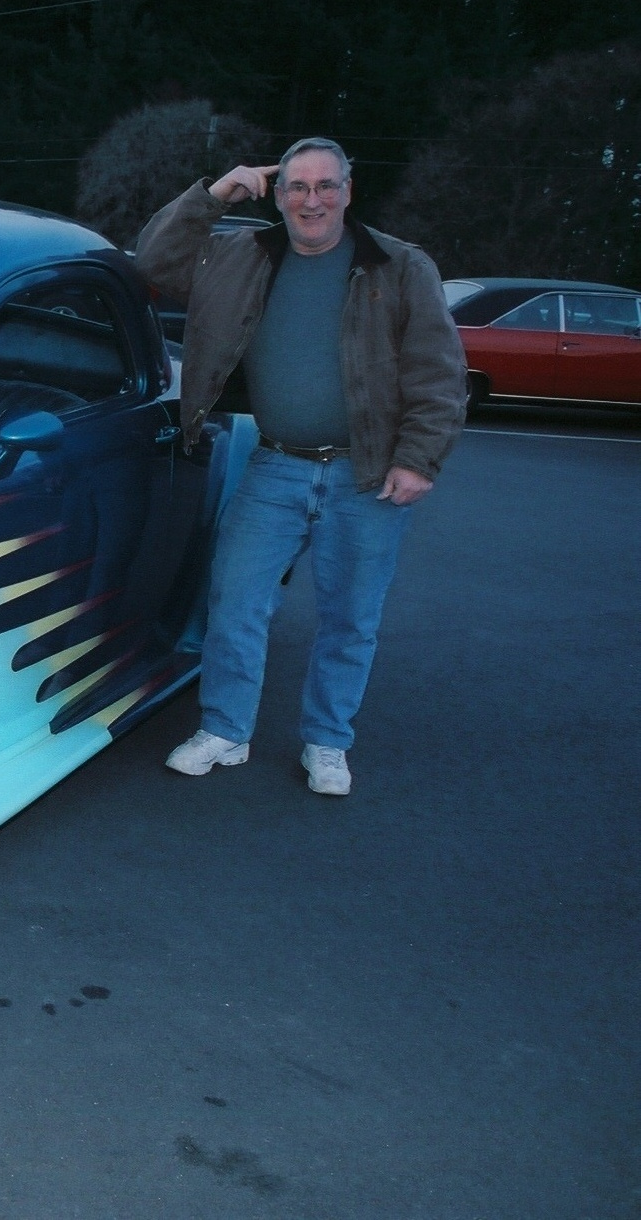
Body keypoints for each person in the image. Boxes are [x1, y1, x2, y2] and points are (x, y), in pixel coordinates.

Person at [134, 137, 465, 796]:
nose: (311, 200)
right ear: (277, 194)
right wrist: (215, 193)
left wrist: (419, 457)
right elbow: (155, 260)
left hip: (367, 474)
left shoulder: (398, 266)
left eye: (325, 186)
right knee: (234, 602)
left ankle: (328, 742)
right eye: (296, 187)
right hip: (275, 466)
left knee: (349, 619)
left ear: (348, 190)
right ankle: (226, 730)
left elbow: (439, 370)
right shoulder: (242, 255)